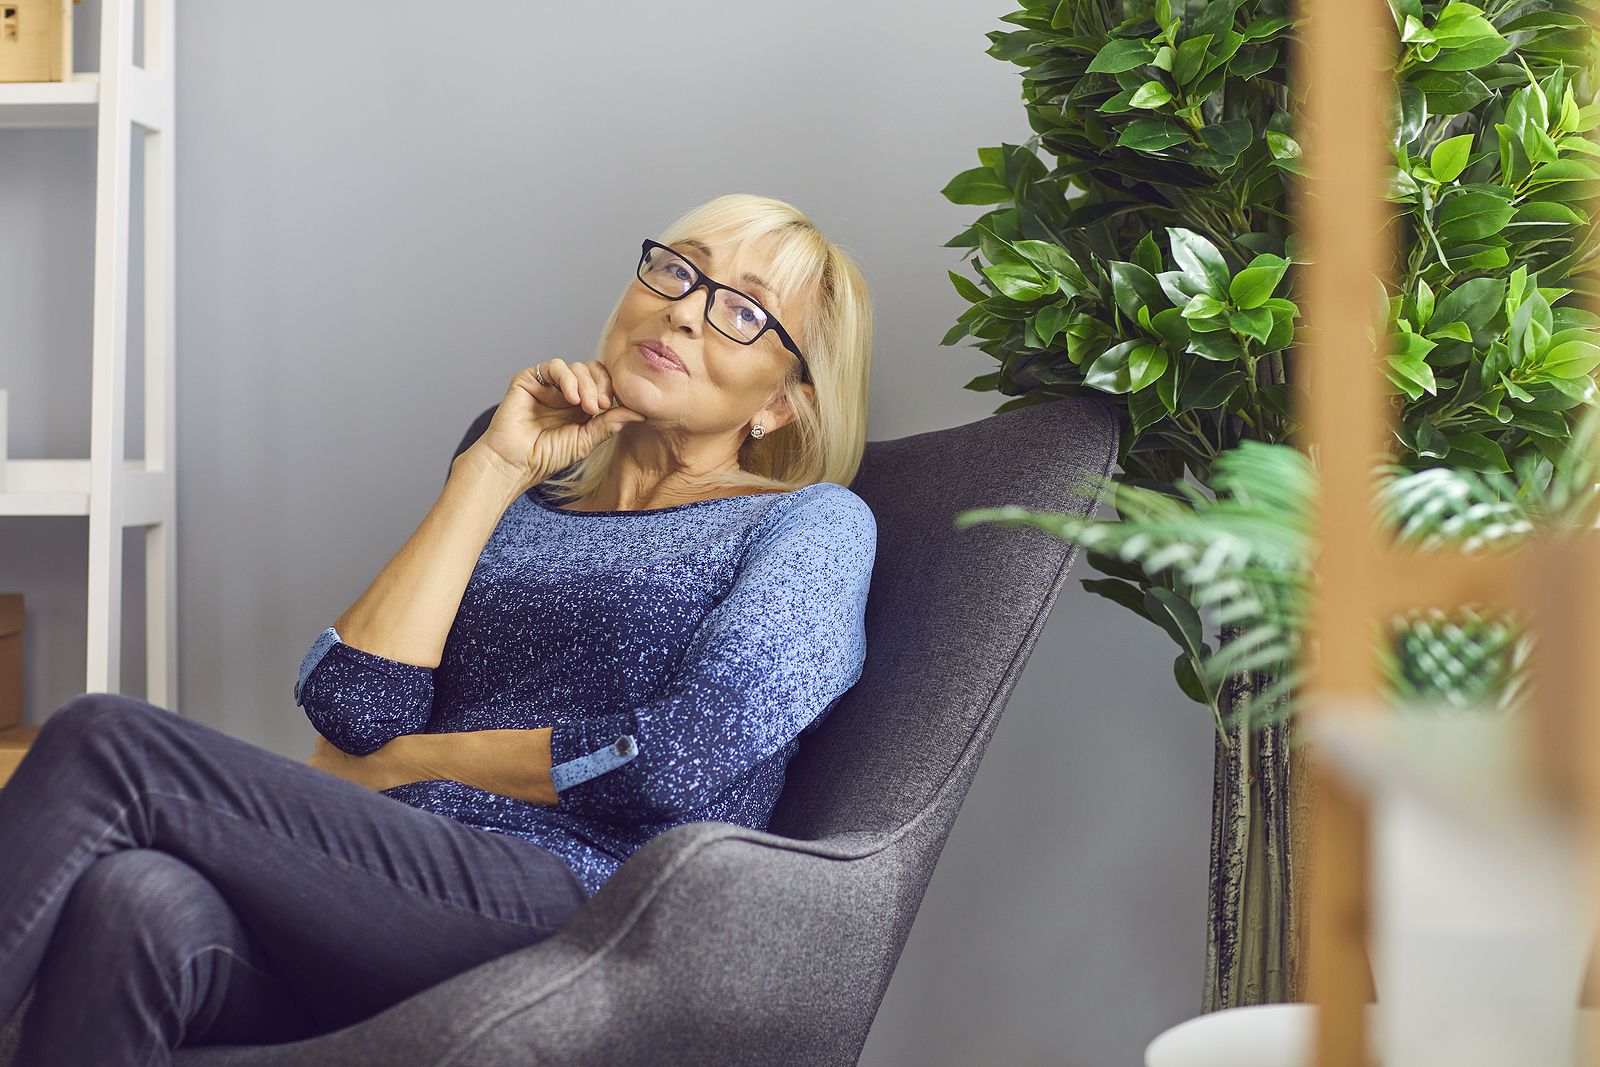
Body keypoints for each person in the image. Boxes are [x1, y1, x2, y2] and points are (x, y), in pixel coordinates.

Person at [0, 193, 877, 1065]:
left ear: (784, 404)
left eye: (739, 310)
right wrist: (490, 471)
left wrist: (403, 764)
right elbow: (350, 706)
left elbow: (678, 757)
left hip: (588, 901)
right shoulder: (519, 483)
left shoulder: (810, 525)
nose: (684, 310)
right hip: (384, 878)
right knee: (135, 900)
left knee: (107, 739)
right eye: (678, 269)